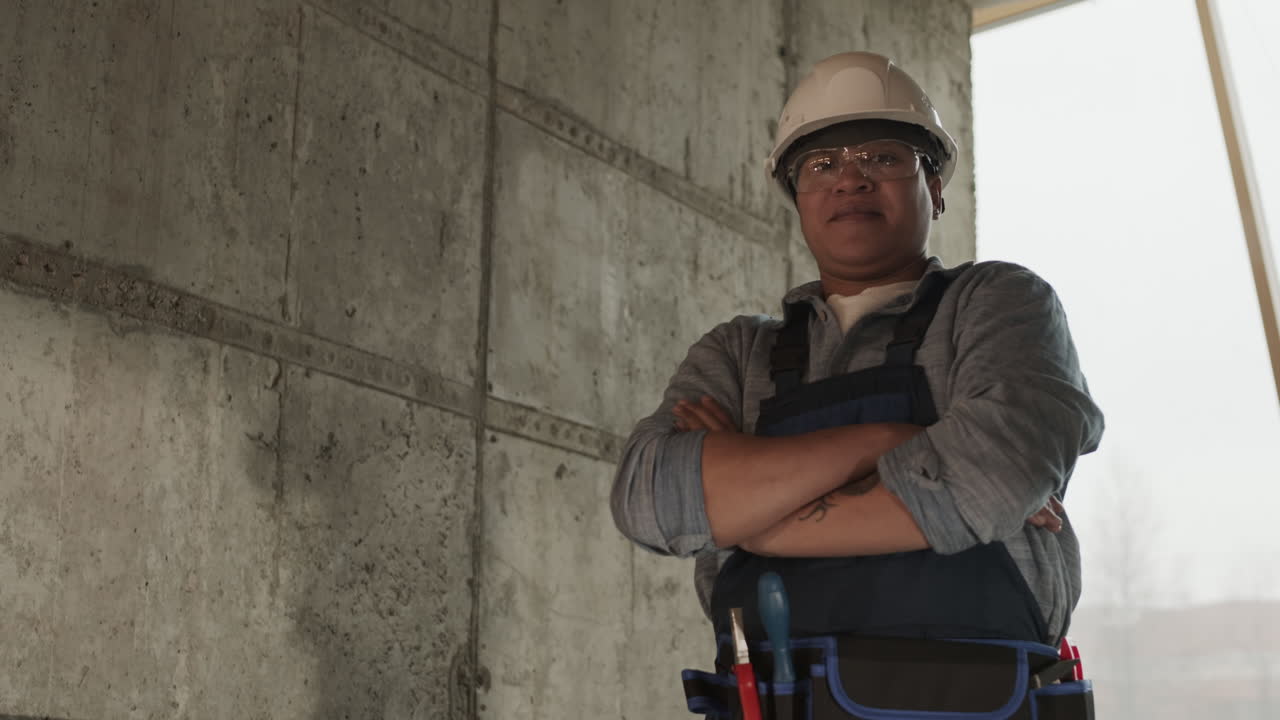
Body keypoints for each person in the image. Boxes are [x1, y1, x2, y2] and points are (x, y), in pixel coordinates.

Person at [610, 51, 1103, 717]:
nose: (850, 178)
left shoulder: (999, 305)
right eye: (821, 164)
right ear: (797, 198)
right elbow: (650, 501)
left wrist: (753, 523)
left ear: (935, 186)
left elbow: (991, 478)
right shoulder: (738, 353)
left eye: (883, 157)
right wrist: (892, 440)